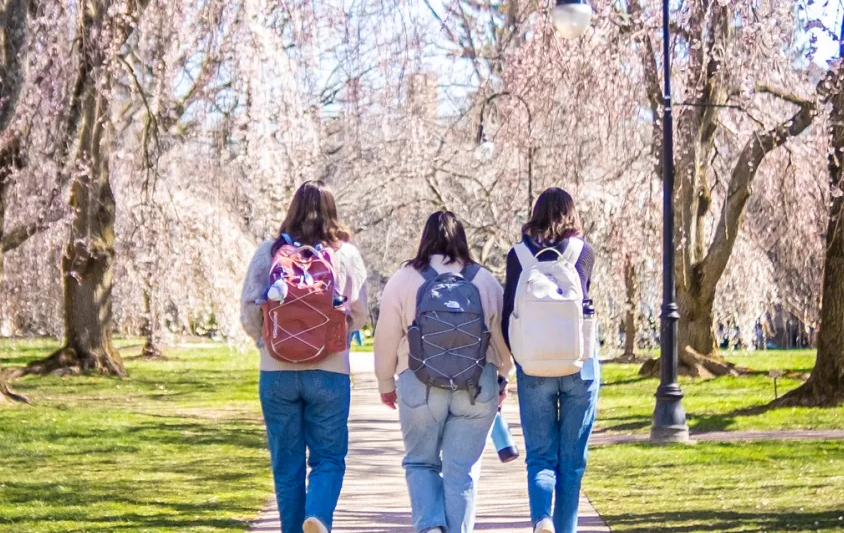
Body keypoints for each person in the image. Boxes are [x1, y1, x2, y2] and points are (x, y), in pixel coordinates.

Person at [241, 181, 369, 533]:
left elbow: (249, 311)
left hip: (276, 372)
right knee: (328, 457)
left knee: (287, 465)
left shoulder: (269, 252)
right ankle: (318, 516)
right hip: (329, 371)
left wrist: (267, 344)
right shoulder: (346, 255)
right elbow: (359, 313)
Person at [374, 211, 512, 533]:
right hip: (476, 388)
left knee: (420, 462)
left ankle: (432, 526)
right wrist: (503, 376)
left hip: (419, 385)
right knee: (460, 471)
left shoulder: (405, 277)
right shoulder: (484, 280)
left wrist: (385, 381)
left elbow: (386, 334)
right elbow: (503, 339)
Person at [502, 188, 598, 533]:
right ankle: (566, 528)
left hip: (534, 367)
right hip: (579, 363)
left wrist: (520, 361)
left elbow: (506, 317)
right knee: (571, 462)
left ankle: (542, 519)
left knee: (541, 456)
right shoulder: (583, 252)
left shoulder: (518, 256)